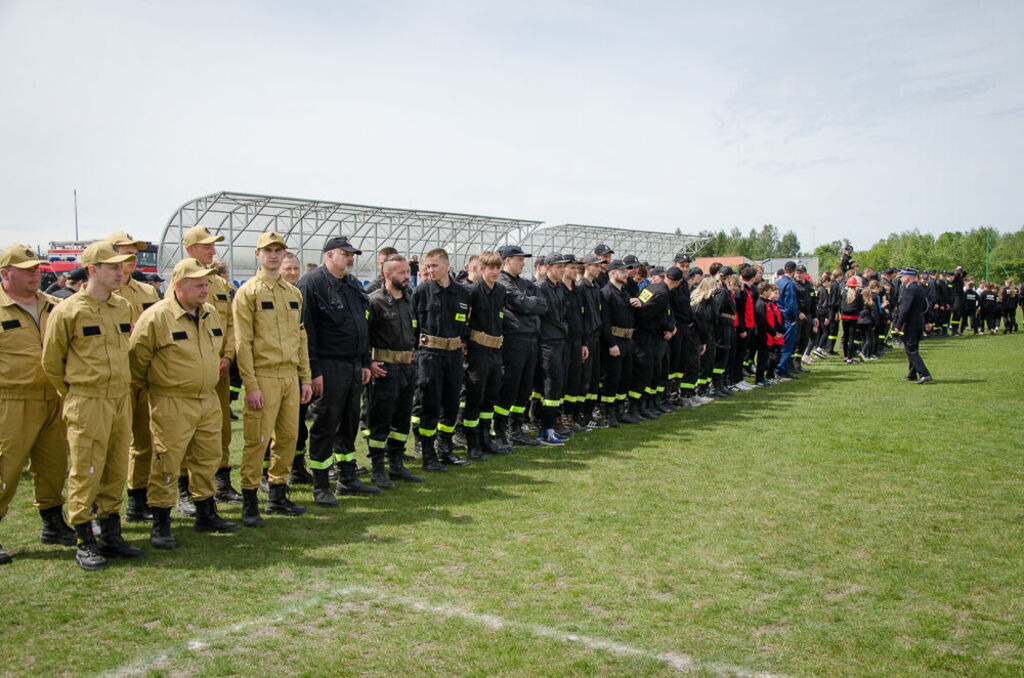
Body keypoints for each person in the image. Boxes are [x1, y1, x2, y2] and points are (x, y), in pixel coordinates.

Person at [42, 241, 146, 570]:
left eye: (122, 266)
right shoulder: (68, 311)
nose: (121, 272)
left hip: (119, 396)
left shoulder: (121, 308)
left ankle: (111, 532)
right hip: (86, 399)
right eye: (113, 267)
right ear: (92, 270)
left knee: (116, 466)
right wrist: (75, 394)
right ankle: (84, 537)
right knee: (86, 468)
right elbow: (51, 363)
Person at [129, 258, 239, 549]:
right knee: (167, 460)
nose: (205, 289)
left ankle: (206, 512)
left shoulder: (211, 313)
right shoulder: (157, 317)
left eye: (206, 284)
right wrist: (161, 385)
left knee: (207, 457)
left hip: (207, 397)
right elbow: (137, 361)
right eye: (198, 285)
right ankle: (161, 522)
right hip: (171, 400)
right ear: (179, 286)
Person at [0, 245, 75, 565]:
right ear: (5, 274)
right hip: (11, 399)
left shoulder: (55, 306)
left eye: (37, 268)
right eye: (27, 269)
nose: (36, 274)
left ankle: (53, 522)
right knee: (6, 467)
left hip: (54, 396)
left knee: (54, 465)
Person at [233, 231, 313, 527]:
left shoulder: (293, 293)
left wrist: (304, 378)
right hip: (264, 375)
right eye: (268, 250)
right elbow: (242, 343)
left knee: (289, 437)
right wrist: (251, 385)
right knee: (257, 440)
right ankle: (250, 499)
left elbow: (301, 338)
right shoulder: (248, 292)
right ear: (258, 254)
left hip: (290, 375)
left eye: (279, 250)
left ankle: (278, 495)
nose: (274, 255)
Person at [297, 235, 376, 503]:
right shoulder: (311, 284)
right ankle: (321, 484)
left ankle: (347, 477)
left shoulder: (353, 285)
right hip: (328, 366)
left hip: (354, 365)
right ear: (329, 255)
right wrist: (314, 371)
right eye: (346, 253)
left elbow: (362, 325)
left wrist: (365, 362)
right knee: (325, 424)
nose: (351, 258)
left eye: (352, 254)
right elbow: (306, 331)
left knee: (349, 423)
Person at [180, 226, 245, 508]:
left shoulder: (220, 286)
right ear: (190, 248)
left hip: (218, 370)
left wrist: (228, 357)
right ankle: (184, 488)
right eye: (206, 246)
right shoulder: (179, 282)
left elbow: (231, 326)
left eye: (213, 246)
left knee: (220, 428)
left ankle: (221, 481)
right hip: (189, 373)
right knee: (184, 430)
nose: (213, 250)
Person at [365, 254, 422, 486]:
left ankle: (397, 464)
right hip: (385, 370)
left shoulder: (411, 300)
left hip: (408, 367)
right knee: (380, 420)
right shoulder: (374, 301)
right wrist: (368, 361)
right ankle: (378, 469)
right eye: (401, 273)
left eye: (408, 272)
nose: (407, 277)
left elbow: (416, 333)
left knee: (402, 420)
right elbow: (363, 336)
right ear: (387, 275)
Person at [412, 248, 471, 470]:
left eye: (434, 265)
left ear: (447, 265)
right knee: (430, 404)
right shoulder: (421, 292)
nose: (430, 270)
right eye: (427, 267)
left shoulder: (463, 293)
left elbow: (464, 324)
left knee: (451, 403)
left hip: (454, 355)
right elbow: (413, 327)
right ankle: (428, 454)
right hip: (430, 356)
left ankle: (445, 450)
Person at [494, 245, 547, 449]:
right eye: (519, 259)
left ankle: (516, 428)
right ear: (507, 260)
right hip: (513, 340)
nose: (523, 263)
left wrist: (527, 304)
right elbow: (524, 304)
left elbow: (542, 305)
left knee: (524, 387)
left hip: (531, 339)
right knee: (509, 386)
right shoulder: (502, 281)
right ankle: (500, 430)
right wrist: (527, 304)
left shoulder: (524, 283)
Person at [462, 251, 508, 460]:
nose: (495, 272)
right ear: (481, 269)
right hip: (477, 352)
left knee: (490, 398)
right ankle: (472, 444)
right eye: (490, 268)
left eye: (498, 268)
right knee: (475, 398)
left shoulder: (500, 291)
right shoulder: (471, 292)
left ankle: (485, 439)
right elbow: (464, 321)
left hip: (495, 352)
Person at [534, 253, 572, 444]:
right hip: (548, 342)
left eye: (564, 266)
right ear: (548, 267)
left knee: (556, 385)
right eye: (559, 267)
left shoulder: (558, 287)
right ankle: (545, 429)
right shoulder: (541, 287)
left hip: (559, 341)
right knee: (550, 385)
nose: (562, 270)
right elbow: (543, 315)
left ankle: (549, 426)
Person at [600, 260, 643, 426]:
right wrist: (611, 343)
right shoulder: (606, 293)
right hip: (614, 340)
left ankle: (619, 410)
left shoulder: (624, 292)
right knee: (612, 378)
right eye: (622, 271)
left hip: (627, 340)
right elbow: (605, 322)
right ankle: (608, 413)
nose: (626, 274)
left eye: (626, 271)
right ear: (612, 272)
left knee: (625, 377)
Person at [895, 267, 932, 383]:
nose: (901, 279)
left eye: (903, 276)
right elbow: (926, 306)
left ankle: (924, 373)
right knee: (913, 348)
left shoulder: (909, 289)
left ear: (908, 277)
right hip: (918, 321)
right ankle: (912, 373)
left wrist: (898, 324)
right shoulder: (919, 288)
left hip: (911, 323)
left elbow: (905, 309)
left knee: (910, 349)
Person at [774, 261, 800, 378]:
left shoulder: (778, 282)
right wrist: (794, 318)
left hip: (778, 316)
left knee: (779, 343)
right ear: (794, 271)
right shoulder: (790, 284)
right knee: (787, 345)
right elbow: (791, 303)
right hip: (787, 318)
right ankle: (781, 369)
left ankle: (779, 368)